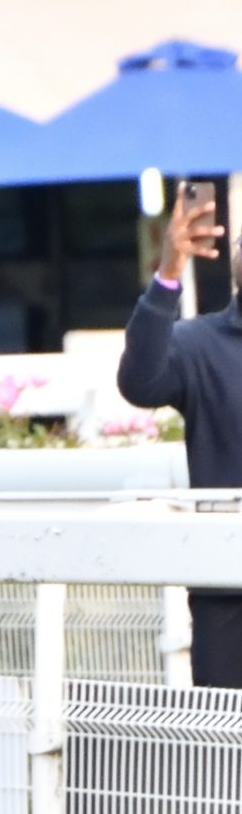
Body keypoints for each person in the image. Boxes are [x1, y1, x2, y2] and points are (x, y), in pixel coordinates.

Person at [118, 180, 242, 686]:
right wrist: (169, 271)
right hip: (229, 593)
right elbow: (139, 382)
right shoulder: (200, 345)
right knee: (225, 758)